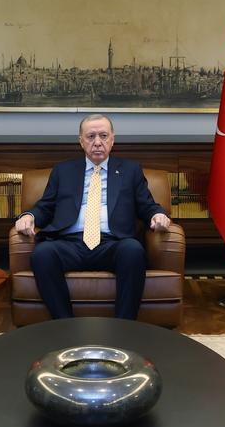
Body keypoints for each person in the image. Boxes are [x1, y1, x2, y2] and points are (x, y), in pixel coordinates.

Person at [13, 113, 172, 320]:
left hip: (113, 243)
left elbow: (146, 205)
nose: (97, 142)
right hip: (70, 243)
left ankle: (124, 327)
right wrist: (28, 216)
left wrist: (158, 214)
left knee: (133, 251)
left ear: (112, 139)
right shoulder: (63, 170)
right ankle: (65, 324)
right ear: (81, 141)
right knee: (43, 254)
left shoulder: (130, 170)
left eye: (103, 136)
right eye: (90, 136)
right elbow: (46, 205)